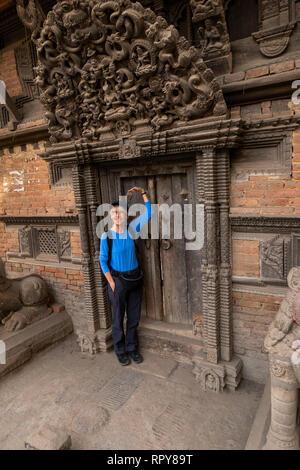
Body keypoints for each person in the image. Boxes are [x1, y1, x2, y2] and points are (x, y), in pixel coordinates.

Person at [99, 186, 153, 366]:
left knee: (133, 317)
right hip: (118, 282)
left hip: (135, 279)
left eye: (120, 212)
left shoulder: (132, 229)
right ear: (110, 216)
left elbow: (149, 214)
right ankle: (120, 350)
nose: (117, 215)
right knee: (117, 318)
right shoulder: (106, 236)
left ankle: (132, 348)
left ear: (125, 215)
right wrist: (111, 282)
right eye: (114, 213)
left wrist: (144, 194)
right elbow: (102, 261)